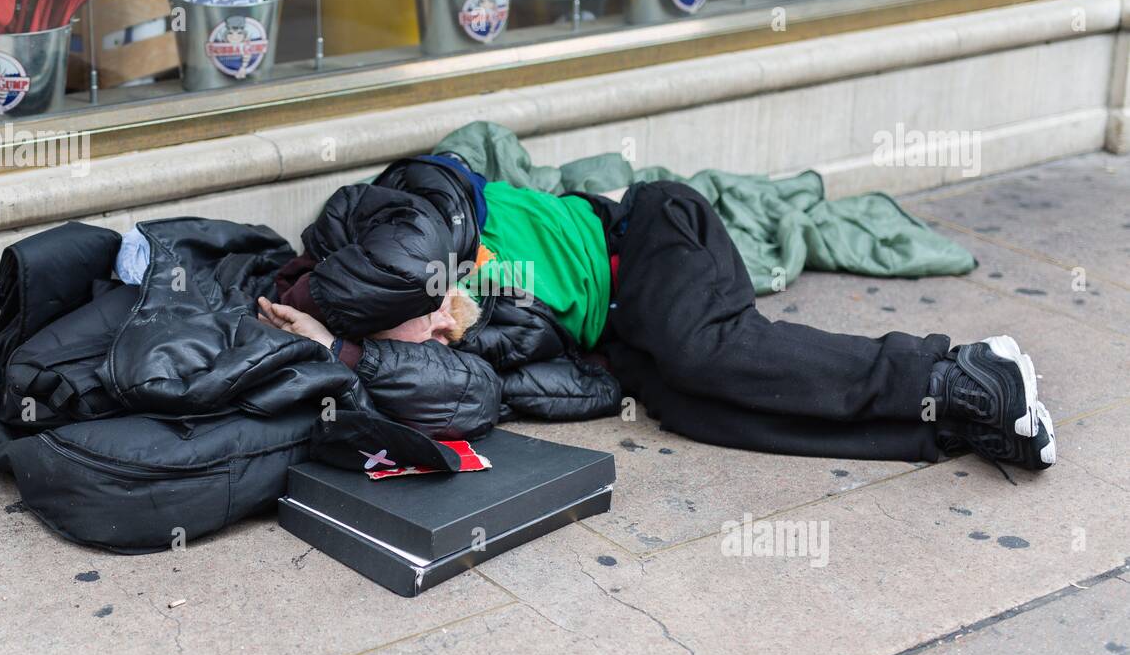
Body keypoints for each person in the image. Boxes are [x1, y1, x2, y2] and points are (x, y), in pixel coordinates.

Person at [260, 152, 1055, 472]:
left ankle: (958, 369)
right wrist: (347, 353)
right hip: (627, 333)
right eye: (428, 340)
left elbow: (405, 259)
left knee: (706, 349)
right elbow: (466, 397)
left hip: (649, 236)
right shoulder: (447, 336)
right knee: (691, 404)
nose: (442, 331)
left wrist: (326, 305)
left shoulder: (412, 214)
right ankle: (948, 422)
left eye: (422, 318)